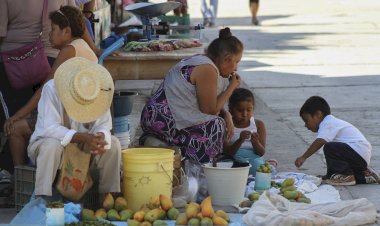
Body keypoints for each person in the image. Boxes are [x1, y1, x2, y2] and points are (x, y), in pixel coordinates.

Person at [1, 6, 98, 186]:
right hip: (78, 116)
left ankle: (23, 184)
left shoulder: (69, 50)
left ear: (67, 31)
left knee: (14, 129)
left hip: (71, 120)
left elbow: (45, 88)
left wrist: (18, 115)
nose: (49, 35)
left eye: (53, 29)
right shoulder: (83, 46)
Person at [140, 27, 242, 164]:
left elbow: (210, 102)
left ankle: (170, 149)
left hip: (156, 115)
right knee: (216, 126)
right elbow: (210, 110)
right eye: (237, 62)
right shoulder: (207, 70)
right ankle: (200, 170)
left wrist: (227, 114)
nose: (236, 68)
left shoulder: (202, 60)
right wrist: (231, 87)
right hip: (162, 119)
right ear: (226, 59)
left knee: (219, 119)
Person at [27, 57, 121, 198]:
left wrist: (100, 136)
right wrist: (83, 137)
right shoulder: (51, 89)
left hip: (83, 149)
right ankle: (42, 197)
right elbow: (49, 128)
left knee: (113, 144)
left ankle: (107, 198)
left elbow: (104, 125)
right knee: (51, 146)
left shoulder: (98, 91)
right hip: (51, 145)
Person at [295, 96, 380, 185]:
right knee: (332, 149)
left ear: (318, 114)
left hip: (357, 152)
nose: (305, 125)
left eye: (306, 120)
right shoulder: (332, 122)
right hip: (360, 156)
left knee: (330, 147)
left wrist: (303, 157)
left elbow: (320, 141)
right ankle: (365, 176)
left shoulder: (328, 123)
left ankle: (344, 176)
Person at [224, 88, 267, 175]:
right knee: (226, 169)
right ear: (231, 109)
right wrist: (240, 140)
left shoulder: (258, 125)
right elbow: (227, 152)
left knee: (260, 170)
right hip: (232, 158)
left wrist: (256, 143)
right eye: (240, 110)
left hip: (252, 159)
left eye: (249, 110)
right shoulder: (227, 125)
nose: (244, 114)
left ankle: (271, 164)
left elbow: (261, 152)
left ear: (253, 108)